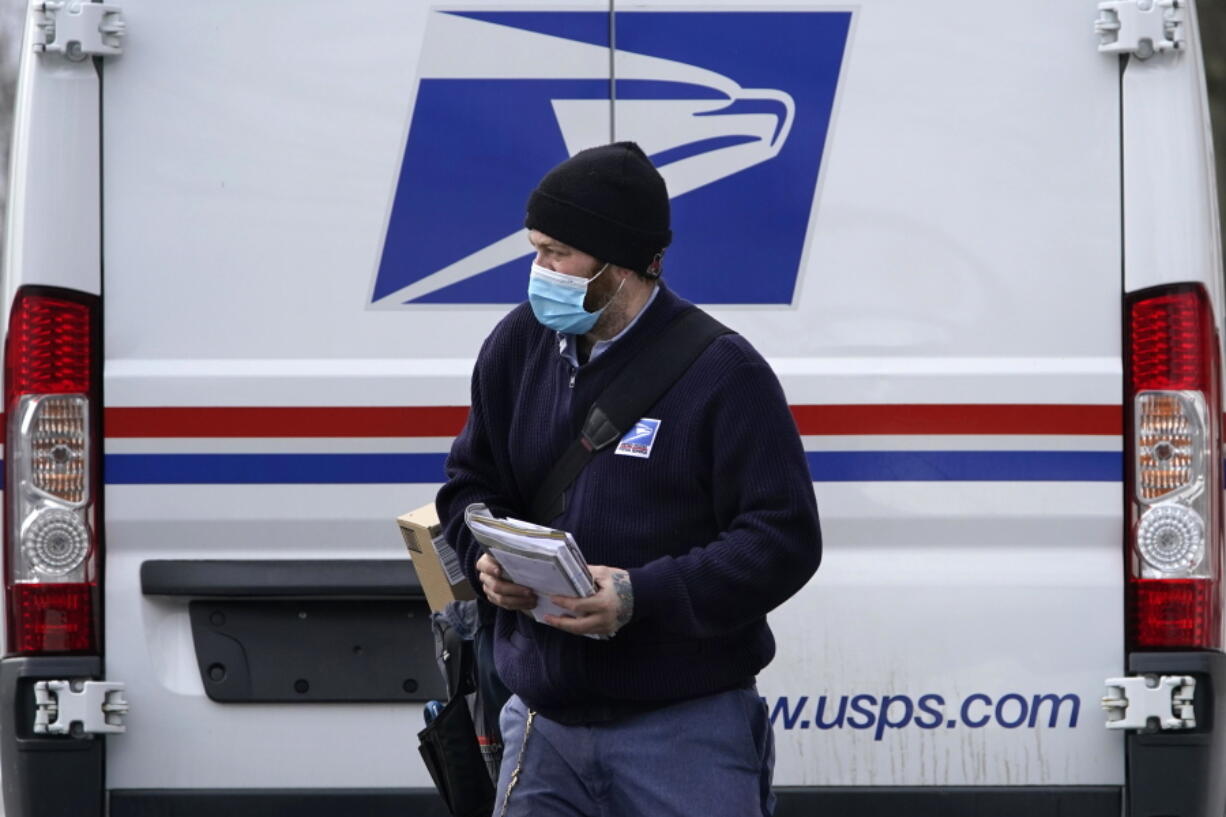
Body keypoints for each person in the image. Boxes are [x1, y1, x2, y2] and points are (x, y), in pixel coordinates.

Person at [435, 142, 821, 817]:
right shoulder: (514, 347)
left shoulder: (725, 374)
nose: (539, 270)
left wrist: (640, 595)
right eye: (537, 249)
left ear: (621, 265)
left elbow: (782, 538)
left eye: (557, 253)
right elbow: (467, 485)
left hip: (685, 734)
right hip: (544, 732)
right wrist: (487, 558)